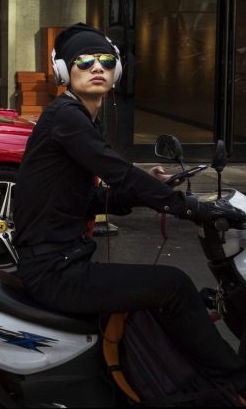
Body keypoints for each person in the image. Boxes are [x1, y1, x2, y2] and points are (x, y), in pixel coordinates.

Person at [12, 22, 246, 396]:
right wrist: (187, 208)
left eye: (105, 60)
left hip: (60, 262)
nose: (97, 68)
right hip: (56, 271)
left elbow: (87, 200)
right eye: (84, 62)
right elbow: (119, 172)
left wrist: (148, 190)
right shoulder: (66, 118)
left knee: (162, 292)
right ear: (63, 72)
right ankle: (235, 381)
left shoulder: (78, 118)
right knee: (174, 284)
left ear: (117, 70)